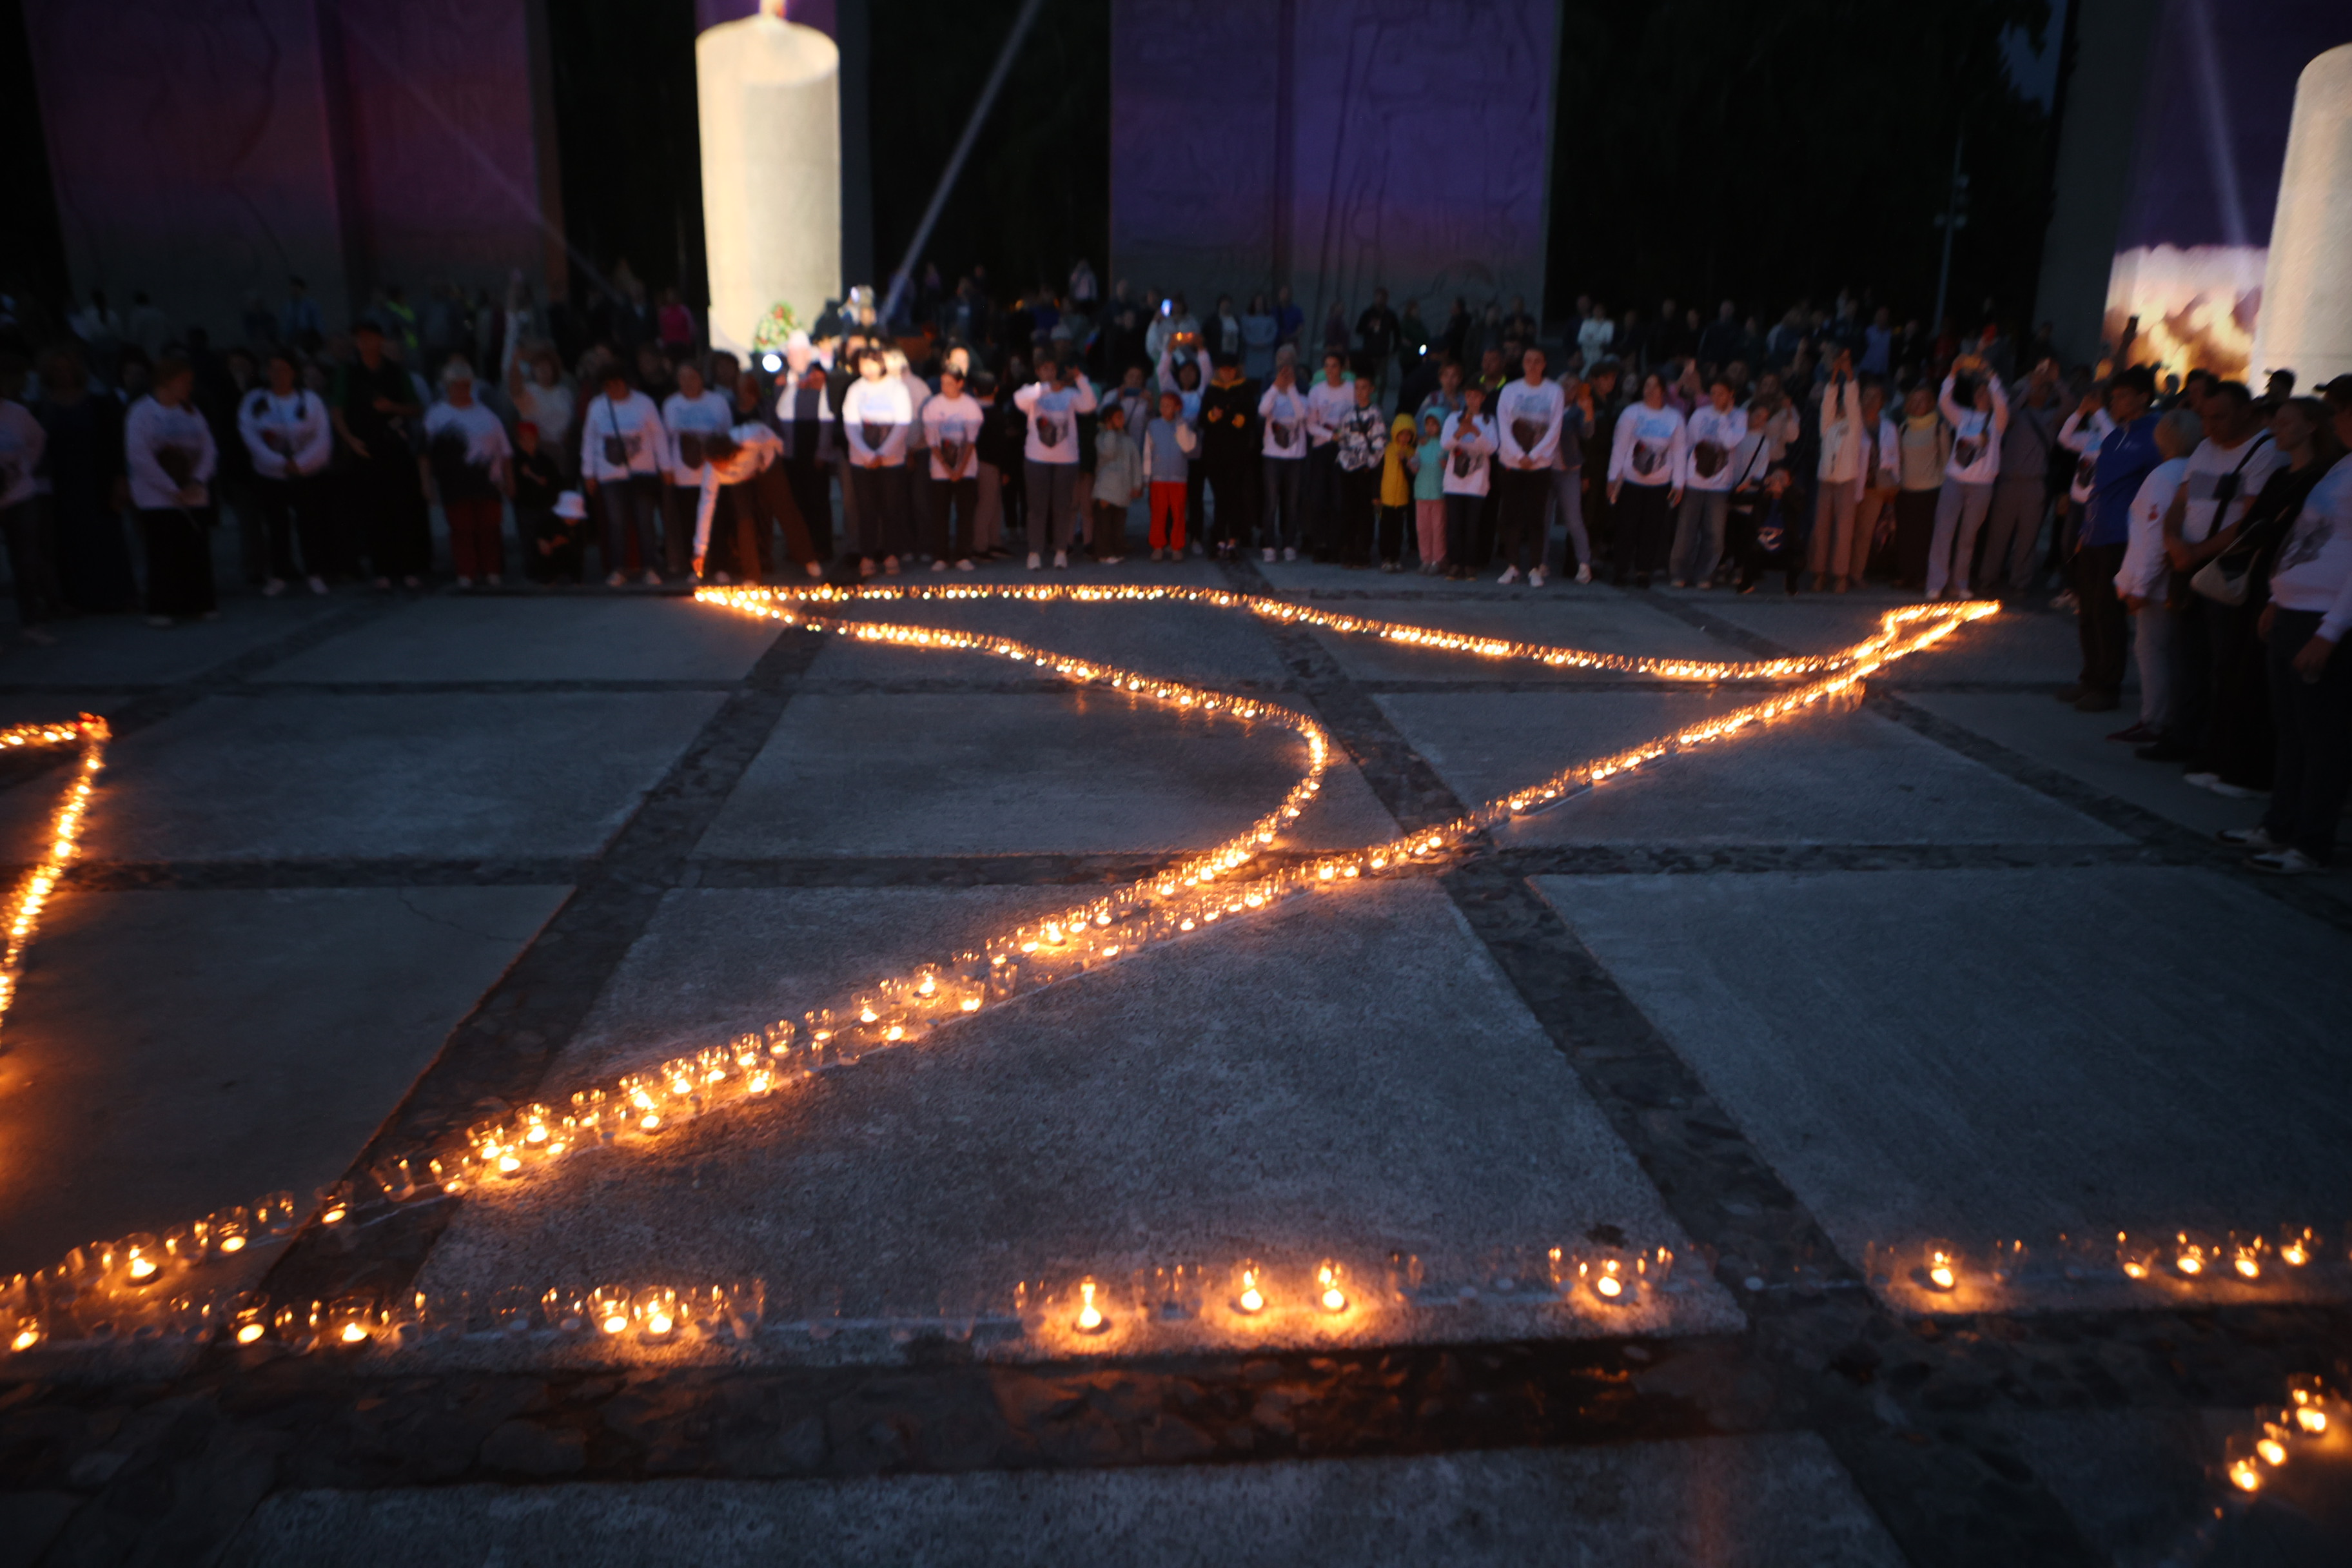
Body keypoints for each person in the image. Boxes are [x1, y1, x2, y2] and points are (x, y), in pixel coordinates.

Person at [2225, 387, 2352, 874]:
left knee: (2322, 737)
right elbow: (2305, 536)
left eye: (2343, 410)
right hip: (2294, 610)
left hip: (2323, 619)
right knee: (2292, 730)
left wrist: (2330, 631)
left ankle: (2311, 841)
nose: (2336, 418)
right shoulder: (2342, 467)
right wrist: (2279, 598)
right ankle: (2279, 824)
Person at [2194, 397, 2344, 796]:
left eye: (2285, 422)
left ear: (2311, 426)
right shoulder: (2285, 474)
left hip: (2289, 589)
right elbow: (2257, 524)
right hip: (2266, 580)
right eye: (2275, 421)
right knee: (2236, 669)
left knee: (2266, 686)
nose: (2276, 428)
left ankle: (2254, 775)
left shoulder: (2319, 477)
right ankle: (2227, 762)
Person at [2138, 380, 2291, 765]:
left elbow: (2249, 521)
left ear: (2246, 412)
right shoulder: (2205, 448)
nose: (2209, 426)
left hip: (2225, 569)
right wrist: (2173, 538)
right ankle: (2184, 735)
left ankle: (2216, 743)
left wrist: (2196, 552)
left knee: (2224, 661)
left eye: (2219, 417)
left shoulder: (2266, 452)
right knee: (2187, 655)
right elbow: (2180, 501)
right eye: (2205, 418)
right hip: (2187, 564)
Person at [2061, 368, 2161, 712]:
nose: (2114, 402)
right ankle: (2090, 677)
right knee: (2088, 609)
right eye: (2113, 396)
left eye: (2121, 396)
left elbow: (2156, 489)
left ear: (2143, 398)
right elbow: (2097, 486)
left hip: (2122, 535)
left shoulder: (2155, 435)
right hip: (2094, 532)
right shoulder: (2115, 435)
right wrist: (2084, 532)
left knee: (2107, 612)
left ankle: (2108, 685)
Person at [2111, 408, 2200, 745]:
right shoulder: (2196, 471)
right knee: (2171, 653)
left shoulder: (2165, 476)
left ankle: (2155, 720)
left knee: (2152, 652)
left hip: (2158, 587)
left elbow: (2155, 536)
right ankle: (2168, 717)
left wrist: (2140, 587)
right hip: (2176, 580)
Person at [333, 320, 429, 589]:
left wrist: (392, 407)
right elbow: (337, 410)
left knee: (402, 509)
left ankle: (408, 567)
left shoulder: (396, 372)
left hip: (395, 448)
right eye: (359, 339)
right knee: (374, 512)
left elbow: (416, 409)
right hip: (365, 449)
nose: (363, 343)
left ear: (379, 340)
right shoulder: (348, 372)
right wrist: (350, 440)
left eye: (368, 338)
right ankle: (382, 569)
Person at [124, 355, 219, 625]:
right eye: (184, 381)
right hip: (158, 497)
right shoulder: (142, 412)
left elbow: (209, 449)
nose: (189, 387)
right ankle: (162, 606)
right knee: (164, 552)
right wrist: (170, 487)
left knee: (195, 550)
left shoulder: (192, 411)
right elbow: (139, 456)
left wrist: (197, 480)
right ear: (166, 382)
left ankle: (199, 602)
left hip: (193, 492)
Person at [235, 346, 334, 596]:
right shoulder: (255, 401)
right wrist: (279, 463)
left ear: (294, 372)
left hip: (306, 474)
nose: (278, 375)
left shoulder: (310, 400)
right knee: (276, 525)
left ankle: (315, 572)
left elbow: (322, 437)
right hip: (271, 475)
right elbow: (250, 437)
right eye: (273, 369)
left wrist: (300, 463)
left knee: (310, 524)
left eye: (283, 370)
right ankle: (280, 573)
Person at [422, 358, 513, 587]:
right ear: (447, 386)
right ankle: (466, 572)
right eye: (456, 385)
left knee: (489, 529)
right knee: (461, 529)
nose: (462, 389)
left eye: (466, 385)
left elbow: (505, 451)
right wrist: (427, 484)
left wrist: (509, 480)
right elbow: (424, 454)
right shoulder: (436, 415)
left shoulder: (487, 415)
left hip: (488, 482)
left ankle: (492, 570)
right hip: (453, 483)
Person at [1926, 356, 2010, 600]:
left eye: (1986, 392)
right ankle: (1936, 582)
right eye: (1979, 392)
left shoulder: (1997, 421)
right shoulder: (1963, 417)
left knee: (1968, 535)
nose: (1982, 395)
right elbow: (1944, 402)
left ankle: (1960, 582)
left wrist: (1990, 375)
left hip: (1981, 485)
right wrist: (1953, 372)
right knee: (1943, 531)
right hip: (1955, 480)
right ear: (1973, 397)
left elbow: (2002, 402)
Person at [580, 366, 667, 587]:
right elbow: (590, 439)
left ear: (625, 382)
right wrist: (589, 472)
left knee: (645, 521)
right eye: (608, 386)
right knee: (616, 523)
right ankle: (619, 568)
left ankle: (650, 567)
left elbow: (658, 435)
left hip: (643, 472)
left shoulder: (644, 403)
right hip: (610, 475)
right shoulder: (597, 406)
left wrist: (665, 466)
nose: (613, 389)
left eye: (616, 383)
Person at [1981, 360, 2062, 594]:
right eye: (2038, 387)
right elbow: (2007, 414)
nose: (2039, 391)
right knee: (1998, 533)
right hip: (2008, 481)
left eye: (2043, 389)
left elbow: (2070, 405)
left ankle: (2021, 580)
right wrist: (2028, 388)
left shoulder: (2051, 417)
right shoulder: (2017, 414)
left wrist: (2056, 381)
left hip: (2034, 483)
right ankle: (1989, 576)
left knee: (2028, 536)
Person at [1014, 353, 1097, 569]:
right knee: (1037, 507)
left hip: (1066, 459)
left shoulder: (1070, 394)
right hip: (1036, 458)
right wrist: (1046, 388)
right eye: (1045, 369)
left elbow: (1089, 404)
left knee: (1063, 506)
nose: (1050, 373)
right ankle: (1035, 552)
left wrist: (1080, 379)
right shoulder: (1033, 393)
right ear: (1038, 372)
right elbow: (1019, 399)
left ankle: (1061, 551)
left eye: (1052, 369)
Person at [1605, 371, 1687, 587]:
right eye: (1646, 386)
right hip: (1632, 480)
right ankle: (1621, 569)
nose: (1650, 390)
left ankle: (1643, 570)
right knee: (1627, 526)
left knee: (1652, 528)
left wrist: (1679, 483)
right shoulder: (1632, 413)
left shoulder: (1675, 418)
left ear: (1663, 390)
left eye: (1654, 386)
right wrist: (1613, 477)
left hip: (1659, 482)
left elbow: (1679, 452)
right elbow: (1620, 446)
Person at [1494, 345, 1564, 585]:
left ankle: (1535, 567)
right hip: (1511, 462)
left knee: (1536, 517)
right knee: (1510, 516)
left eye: (1537, 361)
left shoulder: (1554, 391)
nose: (1532, 365)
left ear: (1544, 364)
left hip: (1540, 465)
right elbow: (1503, 425)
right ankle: (1513, 565)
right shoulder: (1510, 390)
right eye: (1528, 360)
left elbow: (1555, 428)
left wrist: (1533, 455)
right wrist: (1518, 454)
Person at [841, 346, 914, 574]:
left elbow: (903, 424)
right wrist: (867, 454)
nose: (868, 369)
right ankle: (867, 556)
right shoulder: (855, 390)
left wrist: (883, 453)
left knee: (891, 508)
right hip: (862, 460)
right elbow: (850, 425)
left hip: (892, 460)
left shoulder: (897, 388)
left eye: (871, 364)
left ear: (881, 364)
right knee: (866, 510)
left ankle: (892, 555)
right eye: (863, 365)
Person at [1671, 373, 1746, 589]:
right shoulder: (1700, 414)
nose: (1716, 398)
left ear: (1731, 394)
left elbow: (1730, 442)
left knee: (1714, 534)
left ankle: (1705, 574)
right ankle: (1679, 572)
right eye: (1713, 393)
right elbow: (1687, 446)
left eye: (1721, 394)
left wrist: (1723, 416)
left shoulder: (1739, 416)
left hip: (1720, 484)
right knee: (1686, 529)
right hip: (1695, 479)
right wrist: (1681, 478)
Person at [0, 358, 55, 641]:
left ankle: (31, 622)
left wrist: (23, 469)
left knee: (26, 561)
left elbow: (38, 440)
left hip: (20, 495)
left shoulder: (18, 413)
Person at [1806, 351, 1868, 592]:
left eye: (1844, 405)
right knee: (1820, 528)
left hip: (1846, 481)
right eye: (1839, 405)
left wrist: (1848, 374)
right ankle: (1818, 572)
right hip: (1826, 480)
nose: (1842, 407)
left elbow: (1852, 401)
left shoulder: (1854, 427)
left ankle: (1840, 575)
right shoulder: (1828, 427)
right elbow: (1827, 404)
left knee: (1844, 530)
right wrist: (1834, 375)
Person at [921, 364, 985, 571]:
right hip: (940, 471)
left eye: (950, 383)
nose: (946, 387)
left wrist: (960, 469)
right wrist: (947, 468)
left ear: (960, 383)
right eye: (943, 383)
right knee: (940, 513)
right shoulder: (933, 406)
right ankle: (940, 556)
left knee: (965, 513)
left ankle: (963, 555)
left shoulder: (970, 406)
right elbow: (932, 441)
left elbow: (971, 440)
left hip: (966, 469)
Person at [1197, 354, 1259, 560]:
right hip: (1215, 453)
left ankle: (1233, 539)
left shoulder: (1245, 389)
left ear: (1236, 370)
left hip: (1237, 453)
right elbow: (1202, 420)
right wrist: (1213, 415)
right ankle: (1218, 540)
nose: (1227, 373)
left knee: (1235, 496)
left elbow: (1252, 417)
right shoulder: (1211, 390)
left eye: (1231, 369)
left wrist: (1238, 419)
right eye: (1223, 369)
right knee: (1220, 497)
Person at [1888, 384, 1948, 591]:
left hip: (1931, 490)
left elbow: (1946, 461)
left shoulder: (1939, 428)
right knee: (1906, 535)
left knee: (1926, 536)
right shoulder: (1904, 428)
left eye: (1922, 400)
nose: (1917, 404)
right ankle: (1907, 574)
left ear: (1931, 404)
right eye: (1913, 400)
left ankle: (1924, 576)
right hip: (1906, 489)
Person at [1439, 386, 1496, 582]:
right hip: (1454, 482)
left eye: (1476, 396)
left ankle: (1470, 564)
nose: (1472, 400)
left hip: (1477, 483)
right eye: (1469, 396)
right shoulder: (1454, 418)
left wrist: (1476, 431)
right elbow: (1445, 444)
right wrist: (1460, 432)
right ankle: (1455, 563)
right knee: (1455, 524)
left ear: (1483, 398)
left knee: (1473, 525)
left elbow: (1492, 448)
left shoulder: (1488, 420)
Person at [1331, 375, 1388, 567]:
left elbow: (1379, 444)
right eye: (1357, 388)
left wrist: (1369, 464)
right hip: (1349, 469)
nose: (1360, 392)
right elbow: (1343, 439)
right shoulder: (1349, 414)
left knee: (1365, 511)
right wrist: (1345, 460)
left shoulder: (1375, 414)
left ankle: (1363, 551)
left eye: (1364, 387)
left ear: (1371, 389)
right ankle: (1348, 548)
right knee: (1348, 510)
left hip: (1366, 469)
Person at [1304, 352, 1355, 560]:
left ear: (1342, 368)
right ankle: (1320, 543)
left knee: (1339, 497)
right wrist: (1329, 435)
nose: (1330, 370)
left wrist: (1344, 434)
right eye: (1327, 366)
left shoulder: (1350, 389)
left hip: (1345, 448)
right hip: (1322, 447)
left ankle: (1337, 544)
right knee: (1319, 497)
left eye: (1334, 366)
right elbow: (1310, 424)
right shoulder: (1317, 391)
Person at [1258, 358, 1310, 561]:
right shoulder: (1270, 396)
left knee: (1292, 503)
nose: (1286, 378)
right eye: (1283, 374)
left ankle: (1289, 543)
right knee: (1271, 502)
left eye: (1289, 374)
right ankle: (1269, 545)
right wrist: (1275, 387)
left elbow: (1302, 414)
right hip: (1272, 456)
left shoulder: (1301, 397)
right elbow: (1263, 411)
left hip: (1295, 458)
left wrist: (1291, 388)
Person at [1142, 388, 1195, 562]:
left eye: (1169, 406)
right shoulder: (1153, 425)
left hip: (1179, 478)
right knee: (1158, 513)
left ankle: (1177, 546)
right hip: (1159, 477)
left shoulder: (1183, 425)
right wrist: (1147, 475)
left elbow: (1187, 446)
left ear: (1177, 407)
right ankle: (1158, 545)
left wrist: (1180, 424)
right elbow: (1148, 452)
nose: (1165, 409)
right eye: (1163, 405)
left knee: (1178, 514)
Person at [511, 421, 566, 582]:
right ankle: (532, 572)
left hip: (545, 505)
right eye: (523, 439)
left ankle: (550, 571)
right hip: (526, 507)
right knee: (529, 540)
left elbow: (556, 481)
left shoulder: (545, 460)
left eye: (530, 439)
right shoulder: (515, 461)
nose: (527, 443)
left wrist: (549, 487)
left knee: (548, 538)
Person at [1090, 402, 1141, 564]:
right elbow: (1108, 453)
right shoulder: (1101, 438)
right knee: (1104, 523)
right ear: (1108, 419)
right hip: (1106, 488)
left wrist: (1137, 484)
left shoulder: (1128, 440)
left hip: (1123, 488)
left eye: (1122, 417)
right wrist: (1110, 431)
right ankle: (1103, 553)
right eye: (1118, 417)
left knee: (1118, 522)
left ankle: (1116, 549)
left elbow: (1135, 463)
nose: (1122, 420)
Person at [1378, 412, 1416, 571]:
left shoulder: (1412, 453)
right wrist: (1376, 495)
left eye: (1408, 434)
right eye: (1402, 434)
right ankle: (1386, 557)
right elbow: (1379, 473)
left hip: (1402, 499)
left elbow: (1412, 477)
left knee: (1398, 531)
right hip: (1386, 498)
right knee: (1385, 529)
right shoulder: (1387, 450)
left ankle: (1395, 557)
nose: (1405, 438)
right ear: (1395, 433)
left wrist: (1405, 461)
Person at [1410, 409, 1447, 573]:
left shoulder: (1445, 444)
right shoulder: (1421, 444)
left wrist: (1446, 464)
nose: (1431, 428)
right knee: (1423, 528)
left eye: (1434, 424)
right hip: (1422, 493)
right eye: (1428, 424)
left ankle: (1438, 560)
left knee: (1438, 529)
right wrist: (1412, 464)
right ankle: (1425, 558)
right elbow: (1415, 466)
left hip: (1438, 493)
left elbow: (1449, 466)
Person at [1240, 293, 1279, 382]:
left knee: (1266, 378)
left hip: (1266, 353)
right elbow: (1245, 333)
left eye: (1261, 302)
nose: (1259, 304)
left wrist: (1264, 343)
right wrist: (1254, 343)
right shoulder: (1246, 318)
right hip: (1252, 353)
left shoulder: (1271, 319)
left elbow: (1273, 333)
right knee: (1251, 379)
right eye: (1257, 302)